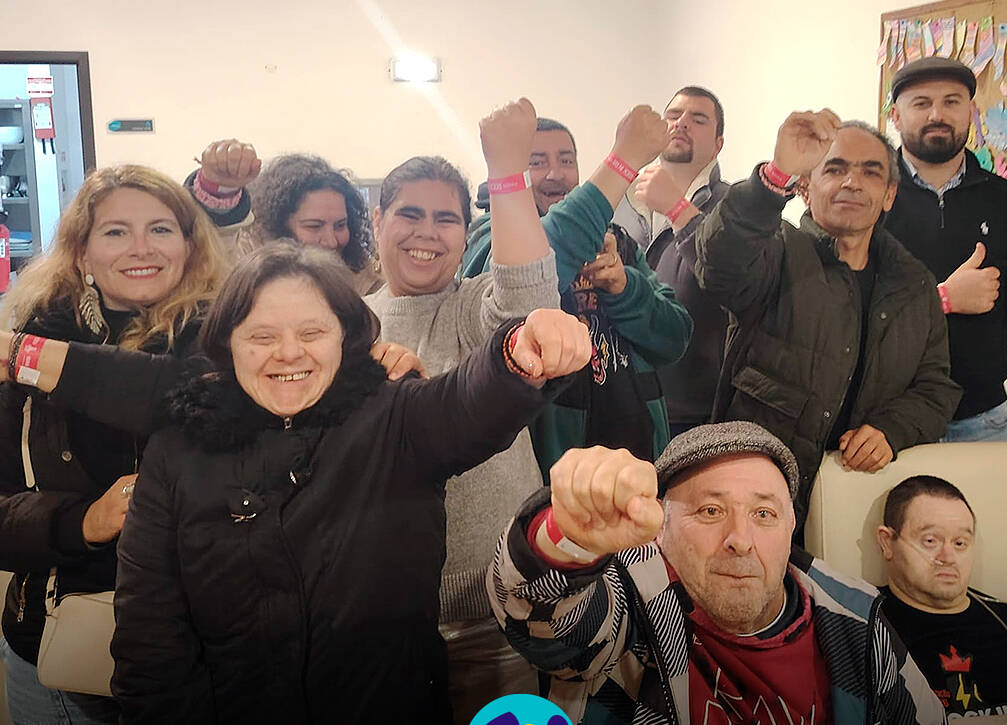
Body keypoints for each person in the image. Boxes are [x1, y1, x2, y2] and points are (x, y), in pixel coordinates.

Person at [104, 242, 590, 724]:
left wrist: (520, 352)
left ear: (345, 336)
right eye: (261, 336)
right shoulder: (177, 452)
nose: (289, 352)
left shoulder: (395, 419)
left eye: (312, 331)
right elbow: (149, 639)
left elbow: (468, 400)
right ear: (228, 343)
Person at [487, 421, 951, 724]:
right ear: (660, 531)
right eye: (710, 511)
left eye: (764, 514)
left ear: (792, 525)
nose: (740, 538)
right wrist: (569, 536)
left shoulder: (856, 618)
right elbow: (546, 627)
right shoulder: (632, 600)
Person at [0, 165, 228, 725]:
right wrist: (81, 522)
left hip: (202, 652)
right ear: (81, 254)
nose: (140, 247)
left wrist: (28, 358)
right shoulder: (37, 331)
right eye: (115, 231)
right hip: (54, 643)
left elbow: (172, 394)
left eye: (161, 228)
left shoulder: (229, 338)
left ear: (189, 246)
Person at [363, 98, 559, 720]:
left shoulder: (475, 308)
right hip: (378, 619)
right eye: (410, 214)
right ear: (376, 220)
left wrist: (505, 171)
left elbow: (531, 305)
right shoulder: (343, 323)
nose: (427, 232)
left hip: (496, 615)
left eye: (445, 219)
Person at [694, 109, 961, 536]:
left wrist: (892, 429)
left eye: (871, 173)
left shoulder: (915, 285)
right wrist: (775, 174)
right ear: (806, 187)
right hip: (755, 500)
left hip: (859, 509)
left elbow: (935, 388)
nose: (852, 182)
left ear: (889, 195)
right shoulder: (775, 253)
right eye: (834, 169)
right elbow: (718, 264)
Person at [461, 106, 691, 475]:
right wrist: (623, 161)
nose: (555, 173)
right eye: (537, 161)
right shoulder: (491, 237)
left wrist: (624, 286)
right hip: (550, 470)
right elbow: (532, 272)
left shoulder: (618, 242)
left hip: (641, 456)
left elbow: (675, 338)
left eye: (566, 160)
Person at [884, 58, 1007, 442]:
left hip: (981, 417)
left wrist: (981, 347)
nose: (937, 114)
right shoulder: (869, 199)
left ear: (971, 112)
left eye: (952, 102)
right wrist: (943, 299)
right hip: (885, 418)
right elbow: (848, 306)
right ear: (895, 115)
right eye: (921, 103)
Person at [877, 476, 1007, 721]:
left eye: (960, 543)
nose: (948, 557)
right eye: (930, 541)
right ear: (887, 543)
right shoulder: (863, 625)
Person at [613, 85, 731, 436]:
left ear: (718, 143)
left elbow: (735, 283)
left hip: (694, 411)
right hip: (620, 398)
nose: (681, 124)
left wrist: (678, 210)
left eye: (698, 119)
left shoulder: (734, 207)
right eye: (674, 116)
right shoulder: (620, 202)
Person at [188, 141, 382, 293]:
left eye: (340, 225)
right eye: (314, 226)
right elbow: (213, 257)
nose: (331, 241)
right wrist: (219, 187)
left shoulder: (365, 281)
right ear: (277, 227)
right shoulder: (244, 272)